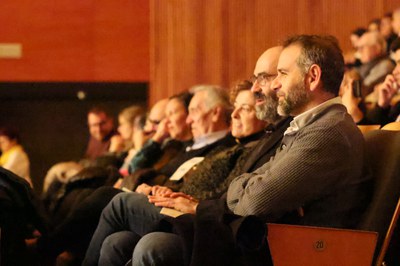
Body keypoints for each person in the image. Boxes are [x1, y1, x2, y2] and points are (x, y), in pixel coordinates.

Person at [129, 35, 372, 266]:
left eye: (283, 74)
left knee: (137, 224)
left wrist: (240, 189)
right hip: (268, 238)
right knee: (121, 240)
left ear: (313, 77)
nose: (275, 85)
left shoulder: (327, 132)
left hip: (294, 250)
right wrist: (244, 187)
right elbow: (247, 186)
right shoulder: (312, 125)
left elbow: (253, 203)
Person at [82, 46, 292, 266]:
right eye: (236, 108)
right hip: (193, 208)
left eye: (245, 109)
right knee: (117, 240)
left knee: (118, 203)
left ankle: (49, 248)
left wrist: (194, 203)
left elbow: (238, 195)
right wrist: (169, 191)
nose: (235, 115)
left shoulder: (247, 145)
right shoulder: (246, 144)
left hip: (211, 220)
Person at [366, 37, 400, 124]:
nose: (395, 71)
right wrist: (382, 106)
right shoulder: (397, 107)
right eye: (396, 64)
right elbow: (374, 131)